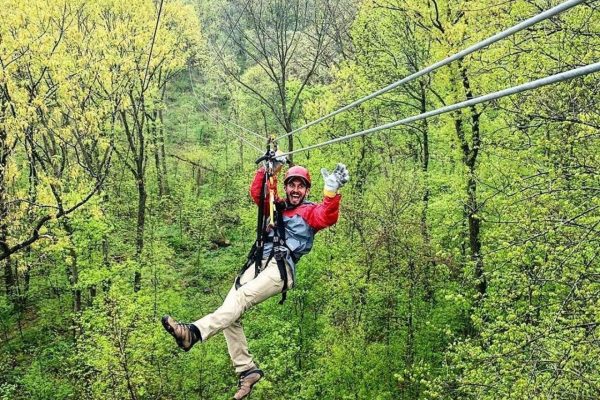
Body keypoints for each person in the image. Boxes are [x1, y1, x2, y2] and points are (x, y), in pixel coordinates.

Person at [161, 160, 349, 400]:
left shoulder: (310, 212)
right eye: (292, 185)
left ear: (307, 191)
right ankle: (247, 370)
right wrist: (269, 168)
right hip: (259, 262)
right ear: (286, 187)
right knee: (230, 310)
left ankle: (193, 332)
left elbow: (327, 217)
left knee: (240, 298)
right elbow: (258, 193)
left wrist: (331, 191)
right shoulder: (276, 207)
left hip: (280, 268)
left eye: (300, 186)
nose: (295, 190)